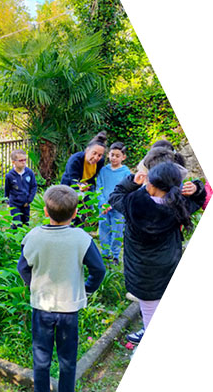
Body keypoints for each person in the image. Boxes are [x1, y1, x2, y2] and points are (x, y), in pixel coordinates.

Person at [17, 185, 105, 392]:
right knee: (67, 360)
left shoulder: (33, 236)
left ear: (46, 211)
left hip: (41, 306)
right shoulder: (82, 238)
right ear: (75, 213)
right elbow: (99, 270)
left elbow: (23, 267)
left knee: (41, 358)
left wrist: (33, 285)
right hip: (69, 308)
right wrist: (86, 289)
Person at [109, 162, 205, 345]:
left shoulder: (133, 202)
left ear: (151, 185)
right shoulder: (180, 206)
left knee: (149, 310)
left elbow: (114, 196)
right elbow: (199, 201)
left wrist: (131, 181)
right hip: (168, 265)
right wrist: (197, 189)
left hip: (141, 271)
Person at [96, 142, 131, 265]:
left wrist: (114, 204)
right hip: (104, 207)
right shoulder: (103, 171)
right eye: (112, 155)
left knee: (117, 230)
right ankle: (105, 254)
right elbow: (98, 188)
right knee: (103, 230)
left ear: (123, 157)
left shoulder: (126, 172)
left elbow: (127, 190)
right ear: (108, 155)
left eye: (117, 155)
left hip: (118, 207)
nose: (114, 158)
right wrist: (103, 203)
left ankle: (115, 255)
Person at [4, 149, 37, 226]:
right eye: (21, 160)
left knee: (25, 223)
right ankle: (14, 236)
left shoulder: (29, 173)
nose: (23, 162)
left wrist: (29, 200)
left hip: (25, 203)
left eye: (25, 160)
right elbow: (7, 190)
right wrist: (7, 202)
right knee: (17, 223)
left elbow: (34, 186)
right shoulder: (9, 176)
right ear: (13, 162)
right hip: (14, 203)